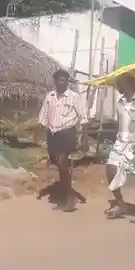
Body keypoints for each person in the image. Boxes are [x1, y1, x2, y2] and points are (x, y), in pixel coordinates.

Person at [105, 73, 135, 224]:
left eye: (119, 85)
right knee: (110, 171)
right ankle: (121, 204)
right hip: (120, 143)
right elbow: (120, 123)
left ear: (129, 85)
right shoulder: (120, 102)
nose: (118, 88)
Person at [38, 69, 88, 212]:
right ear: (55, 81)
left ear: (67, 81)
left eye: (64, 80)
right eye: (59, 79)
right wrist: (40, 131)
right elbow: (43, 116)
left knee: (62, 162)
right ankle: (67, 194)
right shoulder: (50, 96)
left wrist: (84, 138)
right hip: (53, 134)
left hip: (67, 133)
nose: (61, 82)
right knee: (59, 164)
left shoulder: (74, 97)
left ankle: (69, 197)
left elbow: (83, 118)